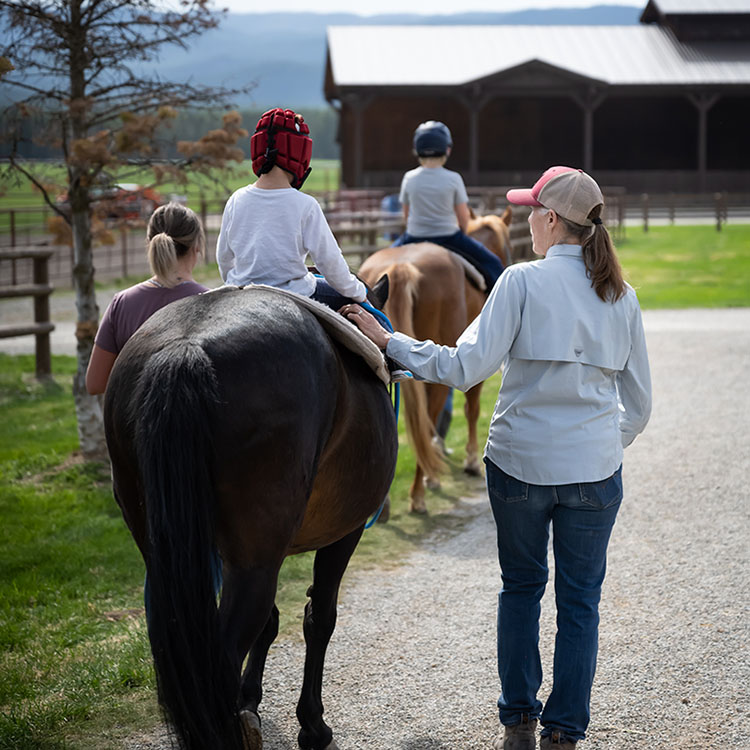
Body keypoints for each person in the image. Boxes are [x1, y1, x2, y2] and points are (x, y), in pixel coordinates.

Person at [341, 166, 652, 750]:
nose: (525, 223)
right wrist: (603, 444)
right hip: (593, 473)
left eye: (532, 212)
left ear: (551, 220)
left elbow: (462, 369)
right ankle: (565, 732)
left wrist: (390, 343)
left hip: (519, 468)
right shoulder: (622, 296)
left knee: (521, 589)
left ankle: (518, 722)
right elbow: (638, 404)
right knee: (581, 603)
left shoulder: (519, 282)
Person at [216, 106, 408, 380]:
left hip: (241, 290)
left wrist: (237, 281)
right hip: (296, 292)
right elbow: (330, 265)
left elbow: (224, 257)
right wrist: (358, 293)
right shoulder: (305, 205)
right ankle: (391, 363)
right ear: (299, 154)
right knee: (373, 315)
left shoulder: (236, 199)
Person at [86, 203, 208, 394]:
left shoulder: (122, 304)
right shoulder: (210, 304)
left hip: (133, 421)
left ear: (149, 243)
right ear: (197, 246)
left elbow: (95, 383)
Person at [394, 120, 505, 290]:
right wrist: (462, 230)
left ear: (417, 150)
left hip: (414, 236)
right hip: (449, 237)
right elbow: (463, 218)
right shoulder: (454, 178)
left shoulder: (409, 178)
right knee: (493, 263)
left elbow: (406, 216)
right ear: (447, 149)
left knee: (377, 265)